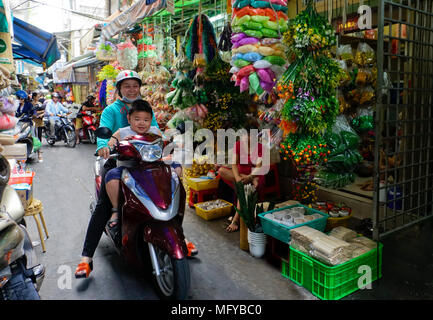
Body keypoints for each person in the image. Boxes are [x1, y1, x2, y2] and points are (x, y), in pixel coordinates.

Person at [75, 70, 197, 279]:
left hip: (147, 161)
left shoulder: (145, 108)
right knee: (104, 201)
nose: (131, 89)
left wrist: (169, 145)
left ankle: (178, 234)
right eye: (126, 86)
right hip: (118, 160)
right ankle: (87, 256)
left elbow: (157, 132)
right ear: (120, 89)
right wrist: (104, 147)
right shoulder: (111, 111)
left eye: (134, 86)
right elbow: (106, 134)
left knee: (173, 179)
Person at [104, 100, 182, 239]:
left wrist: (170, 144)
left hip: (153, 167)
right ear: (129, 119)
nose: (142, 123)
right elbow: (110, 144)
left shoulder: (155, 131)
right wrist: (119, 144)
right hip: (128, 168)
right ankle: (116, 210)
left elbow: (164, 143)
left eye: (146, 120)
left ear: (151, 120)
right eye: (137, 119)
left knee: (176, 167)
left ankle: (170, 201)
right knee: (111, 176)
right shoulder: (122, 132)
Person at [218, 128, 265, 232]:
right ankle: (243, 181)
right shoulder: (238, 144)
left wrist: (250, 177)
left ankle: (235, 220)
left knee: (244, 187)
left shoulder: (260, 147)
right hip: (240, 175)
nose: (245, 139)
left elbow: (259, 166)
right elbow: (234, 164)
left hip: (255, 175)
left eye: (248, 136)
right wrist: (239, 177)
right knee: (221, 171)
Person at [31, 92, 45, 162]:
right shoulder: (31, 103)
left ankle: (39, 149)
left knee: (39, 135)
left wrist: (41, 114)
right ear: (34, 97)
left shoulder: (40, 103)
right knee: (35, 136)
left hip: (40, 121)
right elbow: (33, 112)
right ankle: (37, 150)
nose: (38, 98)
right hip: (34, 121)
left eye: (39, 96)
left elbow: (44, 111)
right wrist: (38, 113)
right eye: (37, 96)